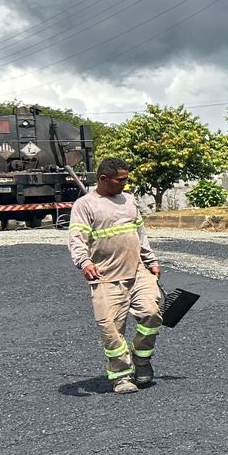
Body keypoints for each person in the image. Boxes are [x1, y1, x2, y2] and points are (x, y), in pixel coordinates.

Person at [68, 158, 162, 394]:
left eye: (126, 179)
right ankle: (121, 376)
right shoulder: (85, 205)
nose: (125, 183)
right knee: (110, 328)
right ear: (103, 179)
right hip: (106, 277)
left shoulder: (129, 200)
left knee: (152, 314)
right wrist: (84, 262)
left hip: (138, 271)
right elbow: (76, 238)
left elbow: (140, 233)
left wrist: (151, 260)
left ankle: (142, 361)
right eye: (120, 180)